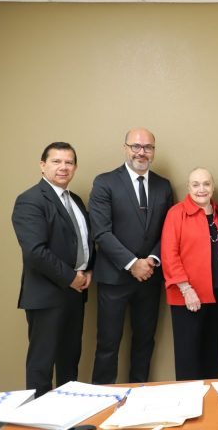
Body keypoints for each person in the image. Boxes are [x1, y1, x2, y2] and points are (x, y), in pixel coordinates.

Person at [90, 127, 173, 384]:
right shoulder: (105, 182)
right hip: (114, 278)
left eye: (147, 147)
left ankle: (139, 394)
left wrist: (152, 261)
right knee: (108, 344)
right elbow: (101, 232)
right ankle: (103, 398)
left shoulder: (163, 185)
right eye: (136, 146)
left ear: (153, 151)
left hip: (149, 277)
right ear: (125, 148)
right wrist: (132, 263)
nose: (141, 152)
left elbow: (169, 231)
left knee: (145, 342)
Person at [11, 142, 93, 397]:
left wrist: (88, 270)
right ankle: (38, 417)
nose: (63, 167)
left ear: (75, 167)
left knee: (70, 361)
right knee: (42, 365)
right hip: (46, 295)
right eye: (56, 161)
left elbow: (84, 241)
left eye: (69, 162)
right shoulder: (30, 200)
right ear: (42, 165)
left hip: (75, 293)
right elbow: (35, 252)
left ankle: (67, 413)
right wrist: (71, 277)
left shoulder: (75, 200)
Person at [161, 168, 218, 380]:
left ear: (213, 186)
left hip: (217, 293)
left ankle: (210, 398)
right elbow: (169, 254)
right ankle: (188, 399)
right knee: (188, 357)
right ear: (188, 187)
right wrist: (186, 289)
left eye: (206, 184)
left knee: (213, 354)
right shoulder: (176, 213)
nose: (201, 189)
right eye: (195, 184)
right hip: (188, 296)